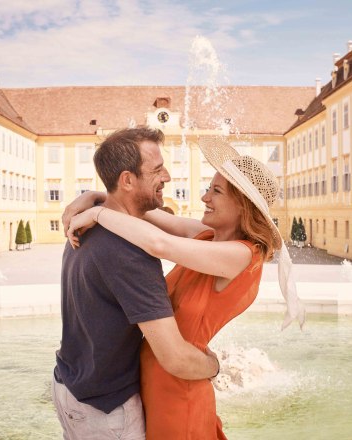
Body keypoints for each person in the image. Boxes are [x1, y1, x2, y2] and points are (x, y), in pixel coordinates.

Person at [65, 137, 304, 439]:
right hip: (155, 379)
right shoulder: (207, 237)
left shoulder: (242, 256)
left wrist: (98, 213)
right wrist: (96, 196)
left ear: (242, 205)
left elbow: (158, 243)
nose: (205, 198)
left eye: (216, 191)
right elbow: (146, 211)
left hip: (179, 387)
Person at [53, 127, 220, 440]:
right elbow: (175, 357)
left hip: (69, 385)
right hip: (106, 409)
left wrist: (94, 197)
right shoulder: (130, 252)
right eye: (157, 170)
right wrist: (214, 366)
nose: (168, 176)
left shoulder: (86, 224)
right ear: (127, 180)